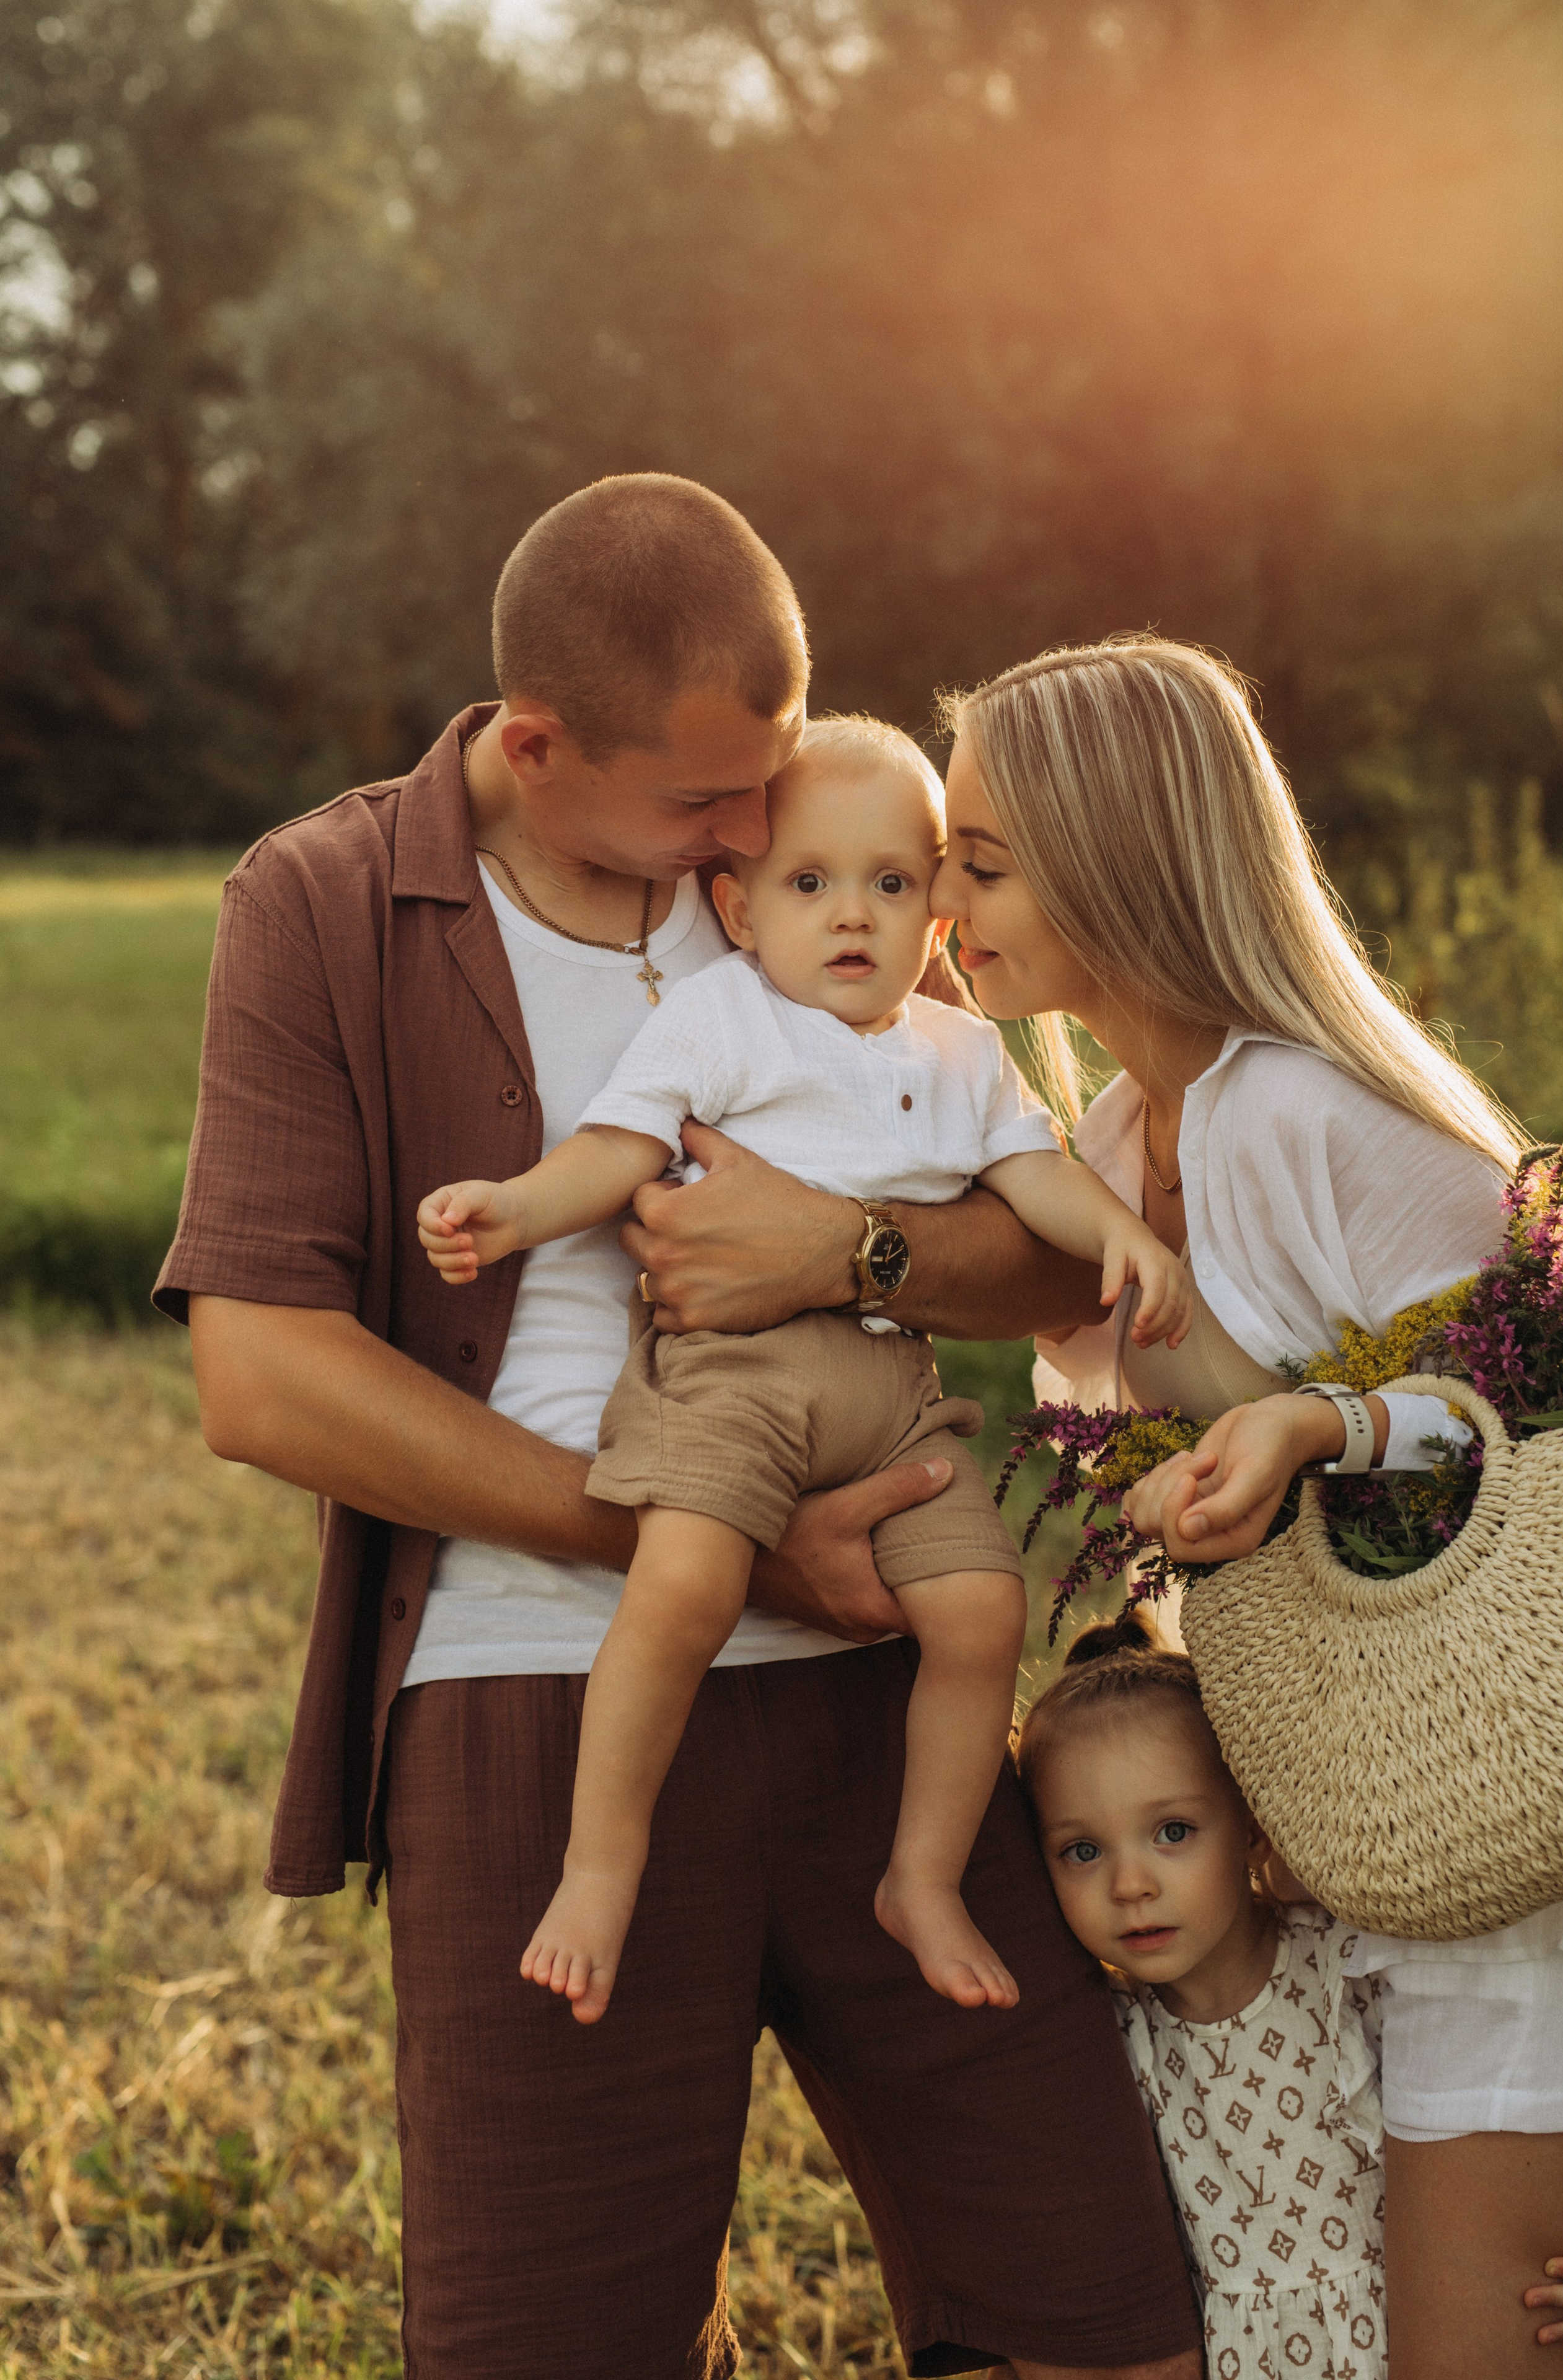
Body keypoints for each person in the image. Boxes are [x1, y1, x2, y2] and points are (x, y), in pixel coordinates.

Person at [156, 481, 1204, 2380]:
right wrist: (670, 1530)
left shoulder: (829, 852)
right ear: (536, 745)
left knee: (1105, 2313)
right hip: (542, 1702)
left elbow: (1030, 1246)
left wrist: (844, 1245)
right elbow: (265, 1373)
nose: (754, 846)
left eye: (775, 786)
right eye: (702, 812)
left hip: (891, 1682)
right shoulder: (321, 901)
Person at [930, 630, 1563, 2380]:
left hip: (1497, 1868)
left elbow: (1551, 1464)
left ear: (1118, 861)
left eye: (982, 863)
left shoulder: (1320, 1122)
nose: (944, 904)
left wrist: (1315, 1421)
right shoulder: (1100, 1157)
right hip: (1326, 1861)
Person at [416, 718, 1190, 2024]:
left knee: (979, 1612)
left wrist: (1116, 1231)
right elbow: (616, 1151)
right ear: (736, 906)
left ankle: (922, 1877)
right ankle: (600, 1865)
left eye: (891, 885)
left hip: (892, 1391)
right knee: (683, 1583)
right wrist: (512, 1210)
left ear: (935, 917)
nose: (851, 917)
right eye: (809, 884)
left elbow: (1032, 1174)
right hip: (735, 1373)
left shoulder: (954, 1054)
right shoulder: (725, 1018)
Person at [1018, 1611, 1389, 2380]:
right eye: (1081, 1850)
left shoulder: (1347, 1966)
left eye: (1174, 1831)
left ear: (1254, 1827)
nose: (1130, 1886)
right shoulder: (1104, 2038)